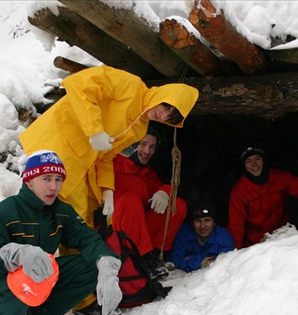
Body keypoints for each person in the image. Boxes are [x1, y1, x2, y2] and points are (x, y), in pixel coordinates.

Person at [0, 150, 123, 315]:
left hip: (41, 274)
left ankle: (42, 313)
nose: (54, 186)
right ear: (29, 181)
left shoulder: (61, 211)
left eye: (58, 179)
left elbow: (88, 240)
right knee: (22, 277)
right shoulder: (3, 213)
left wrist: (107, 267)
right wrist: (16, 254)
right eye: (46, 179)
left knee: (93, 265)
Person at [19, 65, 199, 227]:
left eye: (171, 116)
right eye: (167, 106)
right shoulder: (131, 85)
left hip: (79, 165)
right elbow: (79, 84)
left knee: (89, 219)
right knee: (75, 219)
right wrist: (94, 130)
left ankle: (73, 263)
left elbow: (106, 156)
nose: (164, 114)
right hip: (54, 145)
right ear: (163, 95)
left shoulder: (139, 129)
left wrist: (107, 190)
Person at [111, 129, 187, 279]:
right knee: (130, 200)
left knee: (177, 205)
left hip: (141, 234)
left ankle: (157, 256)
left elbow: (161, 189)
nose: (147, 151)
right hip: (117, 232)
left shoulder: (147, 173)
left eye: (152, 146)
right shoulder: (112, 166)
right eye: (143, 144)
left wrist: (165, 191)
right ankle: (145, 258)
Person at [227, 147, 298, 249]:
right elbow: (235, 226)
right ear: (244, 166)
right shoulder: (239, 191)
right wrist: (235, 253)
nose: (254, 164)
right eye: (248, 161)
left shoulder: (280, 178)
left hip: (284, 234)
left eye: (257, 159)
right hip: (257, 244)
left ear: (264, 160)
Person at [169, 198, 235, 272]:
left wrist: (189, 259)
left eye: (207, 220)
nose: (203, 226)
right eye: (198, 221)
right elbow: (174, 260)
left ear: (214, 223)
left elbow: (224, 262)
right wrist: (200, 262)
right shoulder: (183, 233)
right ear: (192, 223)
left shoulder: (224, 236)